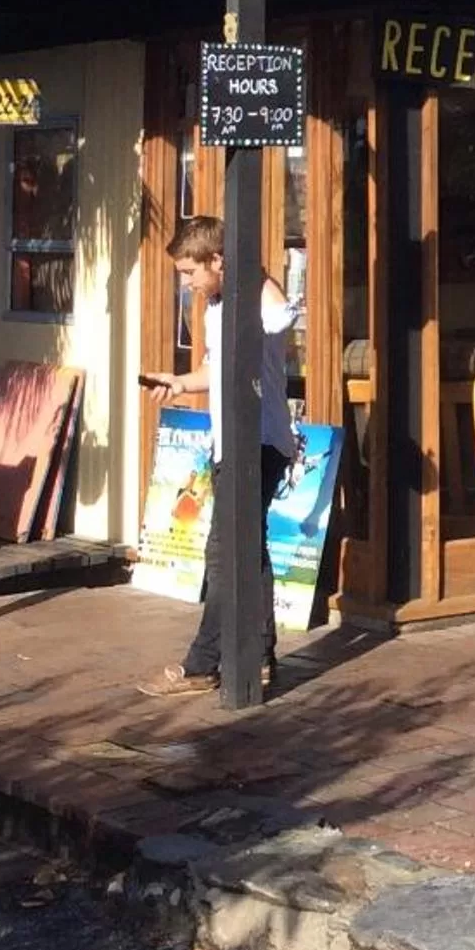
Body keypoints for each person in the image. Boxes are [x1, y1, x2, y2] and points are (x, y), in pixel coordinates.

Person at [137, 216, 302, 699]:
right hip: (228, 442)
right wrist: (178, 383)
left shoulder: (257, 296)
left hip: (259, 442)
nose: (187, 283)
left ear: (218, 261)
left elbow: (281, 317)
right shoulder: (217, 306)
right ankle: (259, 656)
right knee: (246, 549)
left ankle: (203, 663)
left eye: (191, 272)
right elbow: (216, 368)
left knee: (227, 552)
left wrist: (253, 273)